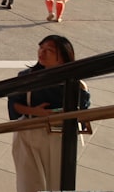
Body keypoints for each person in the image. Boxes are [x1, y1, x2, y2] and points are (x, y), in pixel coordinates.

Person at [8, 35, 90, 192]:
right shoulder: (27, 76)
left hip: (60, 137)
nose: (42, 53)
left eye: (49, 50)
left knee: (58, 182)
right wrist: (36, 112)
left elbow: (83, 113)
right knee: (28, 182)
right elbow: (15, 104)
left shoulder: (76, 83)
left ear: (63, 56)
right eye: (41, 48)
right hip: (29, 132)